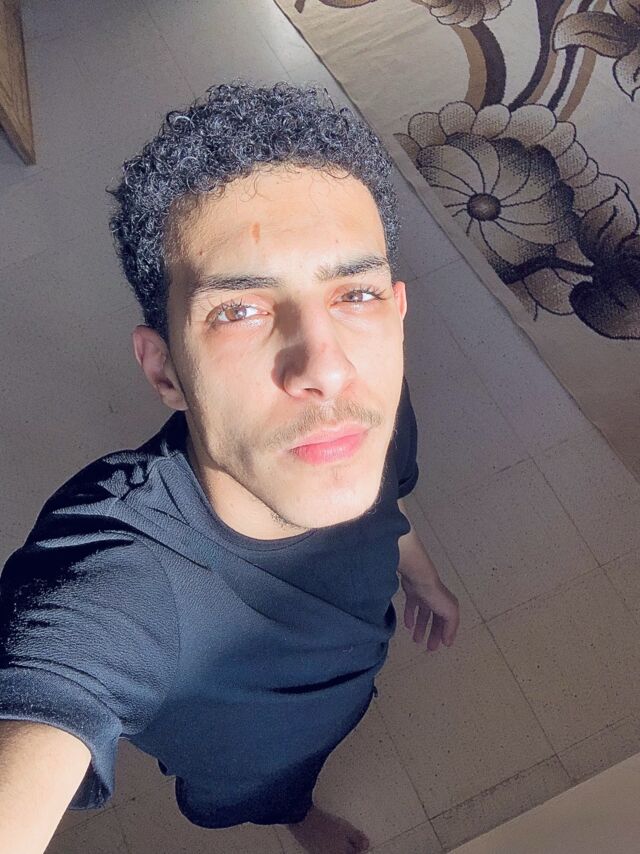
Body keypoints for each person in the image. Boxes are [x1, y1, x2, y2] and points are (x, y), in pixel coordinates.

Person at [0, 80, 459, 854]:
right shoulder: (118, 574)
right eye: (239, 310)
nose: (328, 369)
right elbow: (50, 680)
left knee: (313, 755)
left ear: (397, 311)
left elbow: (390, 498)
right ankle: (294, 816)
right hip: (241, 764)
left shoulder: (366, 410)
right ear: (164, 370)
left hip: (348, 682)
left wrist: (420, 576)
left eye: (356, 293)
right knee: (270, 793)